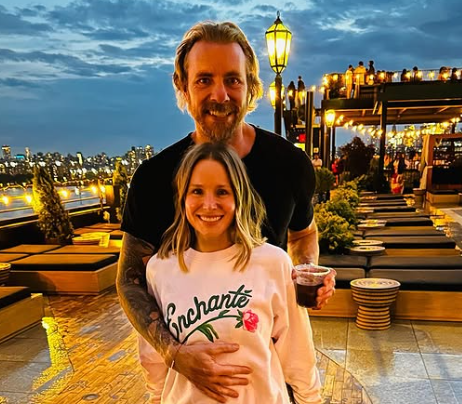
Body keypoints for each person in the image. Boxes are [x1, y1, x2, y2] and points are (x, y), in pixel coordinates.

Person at [117, 21, 336, 403]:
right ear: (182, 86)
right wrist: (174, 354)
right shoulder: (152, 179)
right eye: (204, 80)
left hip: (269, 384)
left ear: (251, 86)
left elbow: (304, 233)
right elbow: (130, 281)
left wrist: (302, 275)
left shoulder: (290, 164)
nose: (220, 94)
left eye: (233, 80)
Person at [138, 142, 322, 403]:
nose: (209, 204)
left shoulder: (273, 263)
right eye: (197, 191)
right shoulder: (160, 269)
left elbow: (298, 352)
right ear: (182, 197)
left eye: (222, 192)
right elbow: (153, 358)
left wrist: (310, 400)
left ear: (239, 197)